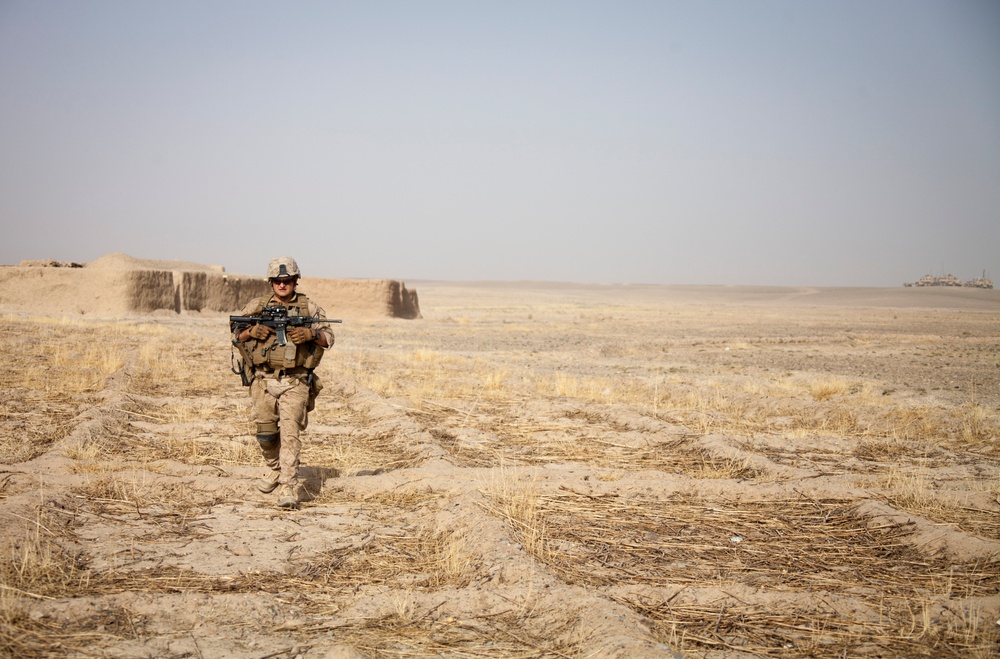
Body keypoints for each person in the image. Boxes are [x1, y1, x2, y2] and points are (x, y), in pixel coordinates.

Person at [232, 257, 335, 509]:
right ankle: (274, 469)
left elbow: (329, 338)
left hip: (295, 381)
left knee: (290, 435)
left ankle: (287, 486)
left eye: (287, 280)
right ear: (271, 282)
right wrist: (252, 332)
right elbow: (236, 333)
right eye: (277, 281)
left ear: (295, 281)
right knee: (266, 436)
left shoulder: (309, 308)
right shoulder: (257, 306)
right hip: (263, 381)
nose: (282, 284)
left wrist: (312, 334)